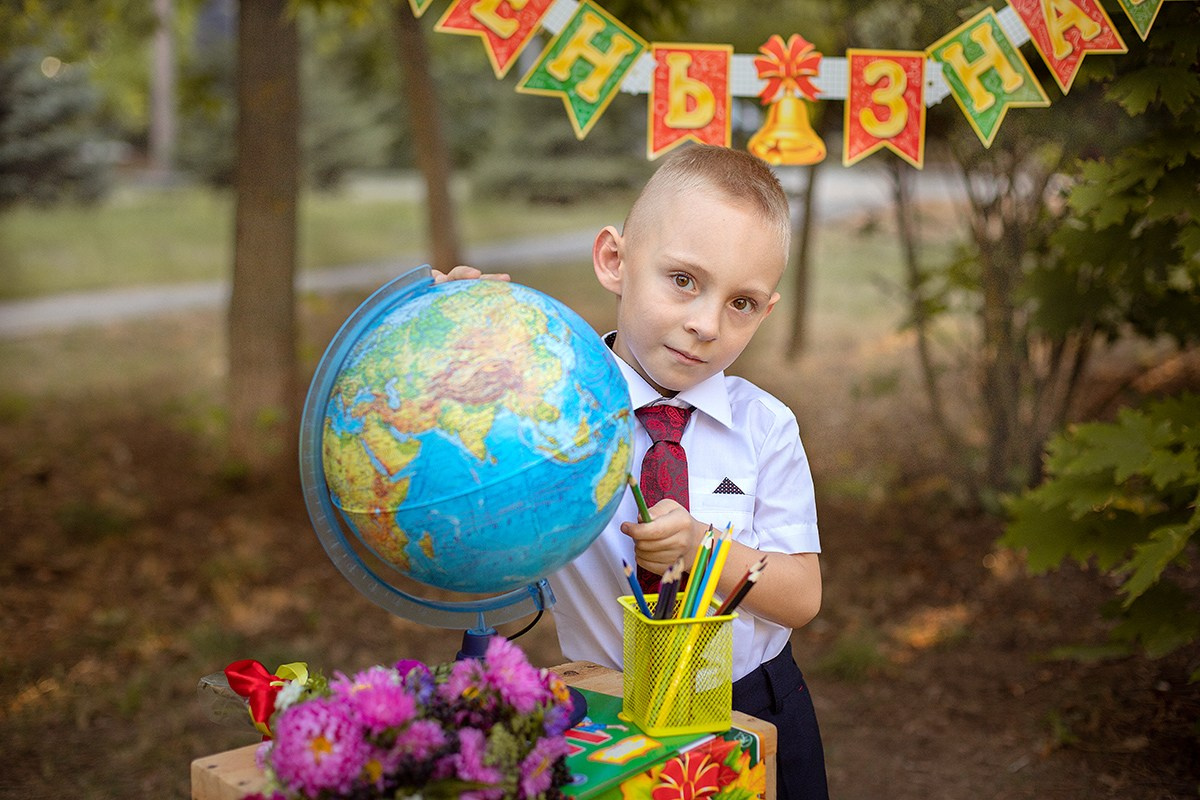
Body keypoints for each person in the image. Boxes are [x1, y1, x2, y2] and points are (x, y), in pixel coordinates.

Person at [437, 144, 827, 800]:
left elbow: (802, 596)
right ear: (615, 261)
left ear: (765, 311)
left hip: (757, 700)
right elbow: (462, 512)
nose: (705, 323)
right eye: (683, 280)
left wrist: (705, 548)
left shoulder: (766, 428)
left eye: (741, 303)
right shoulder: (547, 406)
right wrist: (468, 345)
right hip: (604, 709)